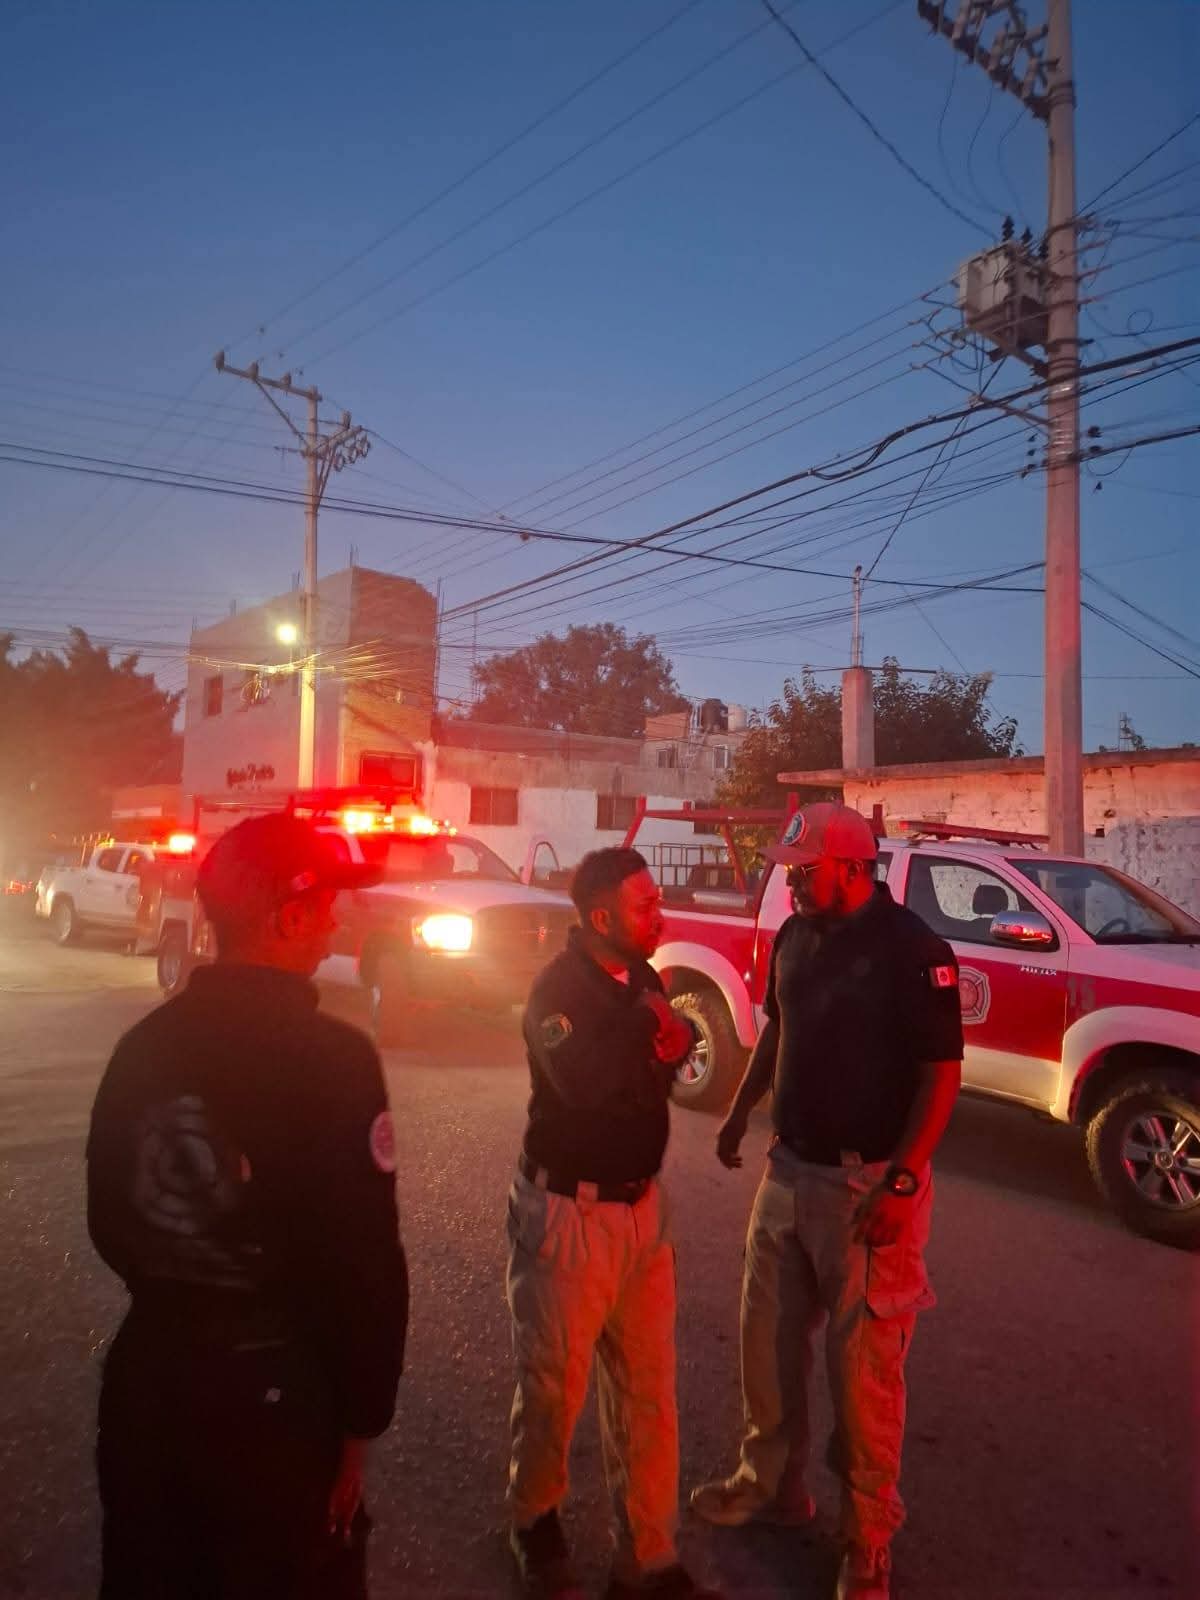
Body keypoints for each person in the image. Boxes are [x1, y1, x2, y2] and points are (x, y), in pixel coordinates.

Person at [87, 812, 409, 1599]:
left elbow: (110, 1222)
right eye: (327, 902)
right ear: (287, 916)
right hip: (277, 1403)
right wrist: (359, 1428)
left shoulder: (143, 1048)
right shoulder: (334, 1062)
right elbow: (364, 1264)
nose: (338, 918)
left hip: (150, 1387)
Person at [689, 804, 963, 1600]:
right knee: (766, 1351)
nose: (790, 881)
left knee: (864, 1378)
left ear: (851, 866)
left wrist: (903, 1180)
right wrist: (741, 1110)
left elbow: (939, 1075)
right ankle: (772, 1489)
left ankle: (868, 1538)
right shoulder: (795, 937)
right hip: (787, 1173)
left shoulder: (914, 950)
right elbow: (779, 1031)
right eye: (788, 869)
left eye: (803, 870)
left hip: (864, 1187)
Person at [506, 847, 723, 1600]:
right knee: (554, 1387)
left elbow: (656, 1067)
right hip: (569, 1213)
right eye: (644, 906)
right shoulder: (556, 993)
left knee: (648, 1390)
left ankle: (649, 1558)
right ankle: (535, 1524)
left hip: (641, 1212)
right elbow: (586, 1085)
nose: (659, 915)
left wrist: (682, 1040)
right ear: (602, 919)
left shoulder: (647, 981)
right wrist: (649, 1028)